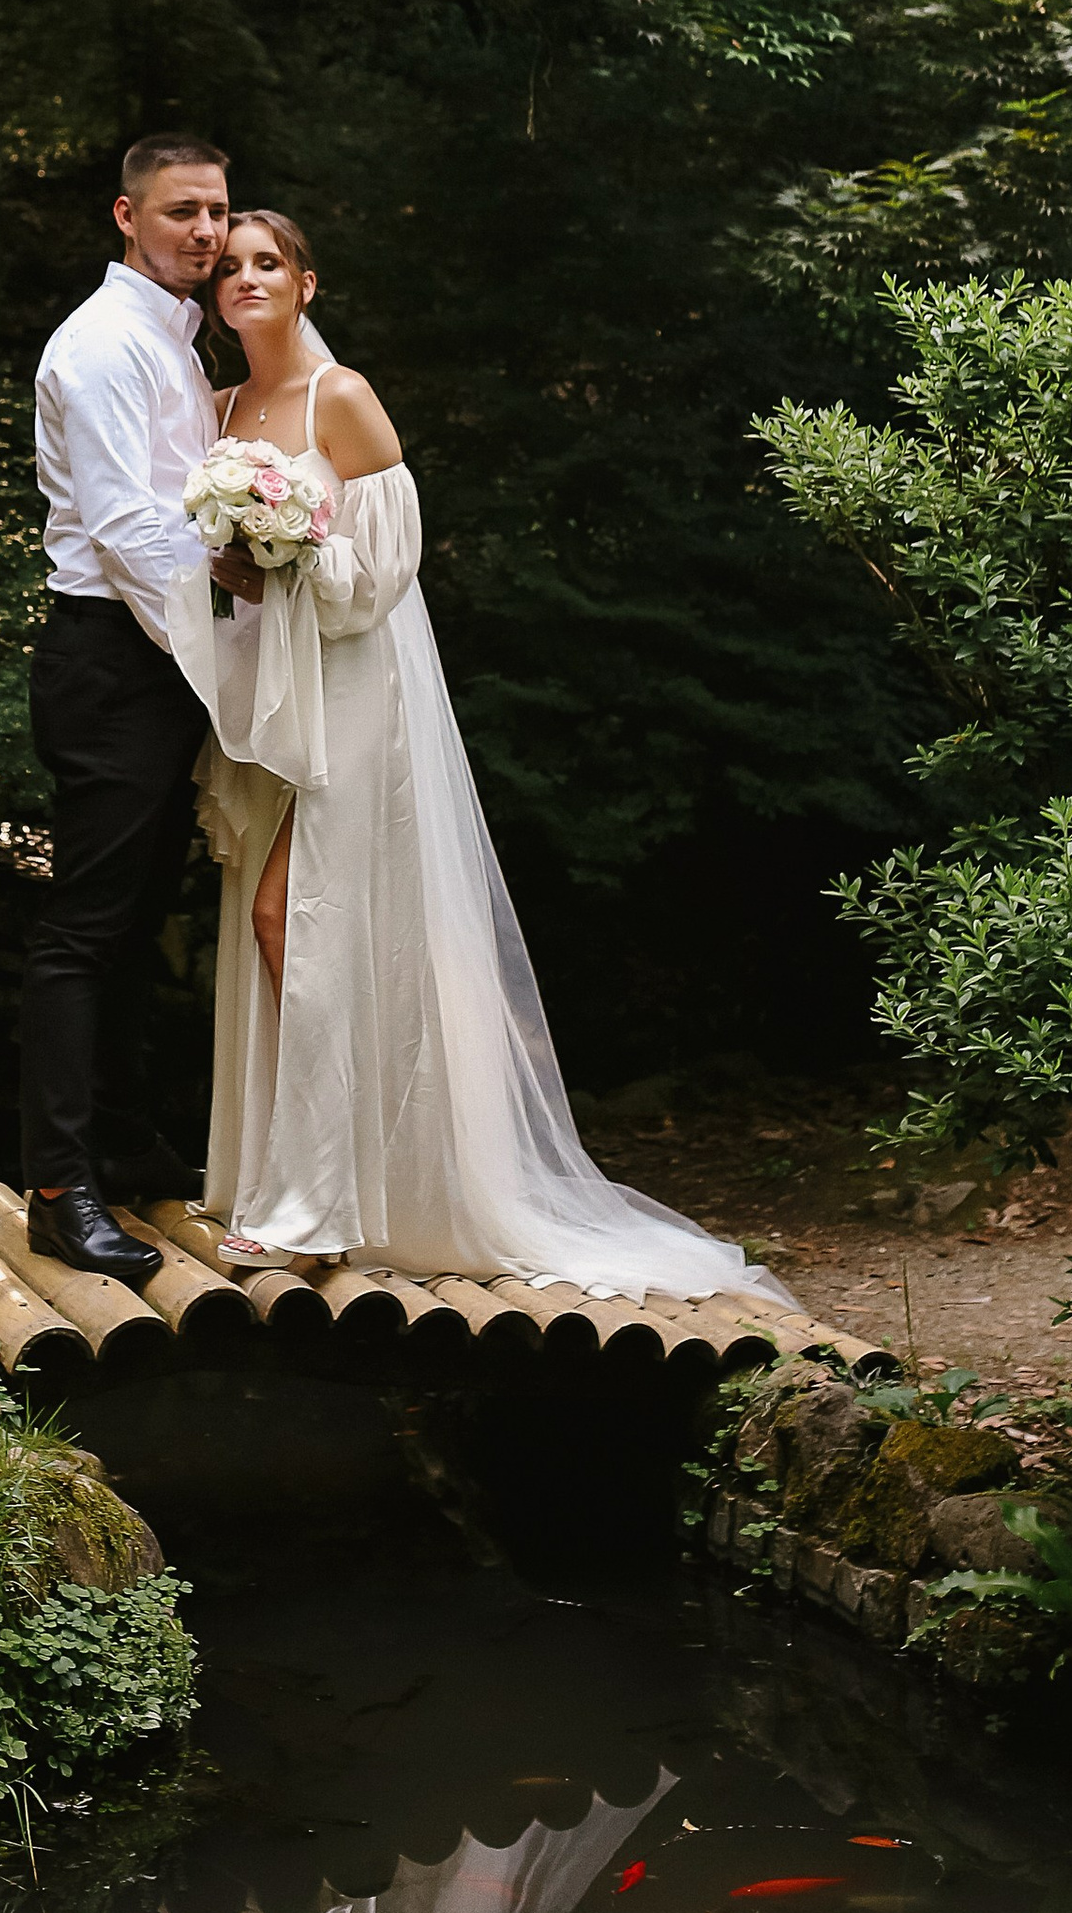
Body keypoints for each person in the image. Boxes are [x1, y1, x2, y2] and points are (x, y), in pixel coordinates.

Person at [167, 208, 786, 1302]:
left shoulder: (339, 397)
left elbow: (382, 569)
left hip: (355, 692)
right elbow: (228, 575)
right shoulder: (220, 408)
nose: (246, 279)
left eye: (270, 264)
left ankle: (319, 1210)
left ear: (307, 283)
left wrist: (291, 550)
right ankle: (317, 1176)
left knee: (294, 918)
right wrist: (239, 570)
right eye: (231, 268)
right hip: (274, 697)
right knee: (291, 928)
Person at [23, 131, 250, 1281]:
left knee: (137, 923)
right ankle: (60, 1192)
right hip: (115, 658)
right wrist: (225, 663)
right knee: (82, 932)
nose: (205, 235)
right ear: (125, 217)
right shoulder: (107, 343)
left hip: (154, 658)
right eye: (180, 214)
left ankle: (122, 1142)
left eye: (215, 212)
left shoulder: (174, 338)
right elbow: (126, 533)